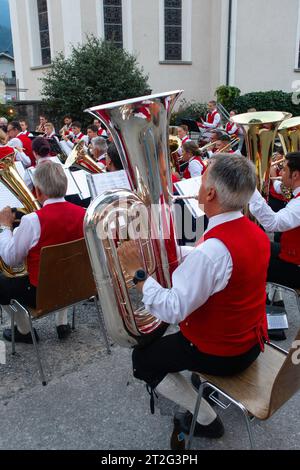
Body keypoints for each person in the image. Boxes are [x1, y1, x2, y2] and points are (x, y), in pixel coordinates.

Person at [118, 154, 270, 439]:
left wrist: (138, 275)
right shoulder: (255, 231)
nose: (197, 186)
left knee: (142, 360)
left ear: (211, 193)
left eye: (201, 181)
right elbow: (219, 267)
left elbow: (174, 310)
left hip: (224, 354)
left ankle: (205, 420)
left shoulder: (212, 252)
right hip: (252, 343)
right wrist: (170, 253)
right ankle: (201, 387)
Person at [0, 162, 86, 342]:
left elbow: (10, 260)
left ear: (37, 192)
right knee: (63, 264)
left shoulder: (32, 221)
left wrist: (5, 227)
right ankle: (61, 323)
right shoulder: (84, 214)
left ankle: (24, 331)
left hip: (41, 295)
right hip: (77, 287)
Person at [249, 152, 300, 289]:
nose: (281, 172)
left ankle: (257, 304)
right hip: (292, 251)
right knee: (257, 247)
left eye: (284, 169)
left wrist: (251, 189)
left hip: (296, 264)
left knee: (250, 264)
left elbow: (273, 223)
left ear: (295, 175)